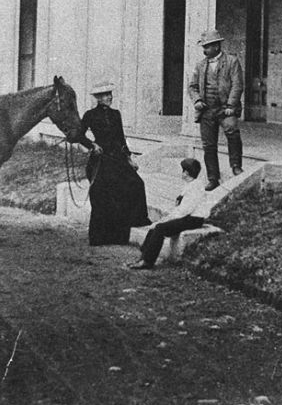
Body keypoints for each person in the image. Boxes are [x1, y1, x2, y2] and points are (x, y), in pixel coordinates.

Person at [78, 81, 151, 245]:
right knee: (102, 195)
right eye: (105, 95)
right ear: (97, 98)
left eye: (110, 94)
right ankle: (99, 237)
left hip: (117, 158)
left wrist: (129, 158)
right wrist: (91, 145)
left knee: (136, 184)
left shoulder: (116, 114)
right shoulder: (89, 115)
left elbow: (121, 138)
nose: (109, 97)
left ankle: (123, 233)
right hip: (100, 160)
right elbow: (78, 135)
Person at [128, 158, 218, 270]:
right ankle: (143, 257)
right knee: (155, 228)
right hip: (187, 216)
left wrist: (165, 220)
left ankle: (148, 261)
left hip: (193, 219)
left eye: (183, 170)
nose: (182, 173)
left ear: (186, 173)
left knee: (160, 228)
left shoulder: (196, 187)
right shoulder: (190, 184)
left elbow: (184, 211)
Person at [187, 29, 245, 191]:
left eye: (207, 47)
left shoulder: (232, 62)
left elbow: (237, 85)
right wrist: (197, 100)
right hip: (207, 110)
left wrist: (231, 106)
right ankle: (213, 178)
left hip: (225, 109)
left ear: (217, 46)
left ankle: (236, 166)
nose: (205, 50)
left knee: (232, 132)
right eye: (204, 47)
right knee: (208, 145)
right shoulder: (200, 65)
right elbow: (191, 87)